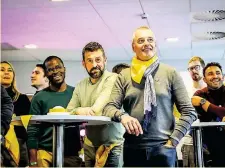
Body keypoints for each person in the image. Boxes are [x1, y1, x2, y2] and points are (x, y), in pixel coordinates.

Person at [103, 26, 197, 167]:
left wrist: (173, 141)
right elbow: (109, 107)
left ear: (155, 44)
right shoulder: (124, 76)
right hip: (132, 149)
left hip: (163, 149)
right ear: (133, 46)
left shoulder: (170, 72)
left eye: (150, 39)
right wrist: (123, 116)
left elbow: (189, 112)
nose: (146, 43)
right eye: (141, 40)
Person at [67, 42, 124, 167]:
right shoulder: (81, 85)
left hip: (112, 146)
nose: (94, 65)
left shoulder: (113, 79)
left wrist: (78, 110)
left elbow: (97, 111)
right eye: (89, 61)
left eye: (98, 60)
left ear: (105, 60)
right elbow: (68, 112)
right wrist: (78, 111)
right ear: (84, 64)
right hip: (89, 145)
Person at [27, 56, 82, 167]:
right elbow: (32, 130)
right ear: (46, 74)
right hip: (45, 153)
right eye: (51, 69)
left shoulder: (76, 93)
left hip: (71, 153)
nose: (55, 71)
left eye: (58, 67)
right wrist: (33, 161)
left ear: (64, 69)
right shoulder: (39, 97)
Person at [192, 62, 225, 167]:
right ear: (204, 79)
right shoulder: (199, 94)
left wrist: (204, 103)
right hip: (208, 150)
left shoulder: (200, 99)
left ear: (223, 77)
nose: (215, 76)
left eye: (218, 73)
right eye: (210, 74)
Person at [0, 61, 30, 167]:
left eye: (10, 70)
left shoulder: (23, 99)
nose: (6, 73)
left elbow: (28, 125)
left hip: (19, 143)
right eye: (2, 70)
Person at [179, 56, 207, 167]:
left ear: (203, 68)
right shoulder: (185, 92)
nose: (193, 71)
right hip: (189, 140)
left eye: (196, 67)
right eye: (190, 69)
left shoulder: (212, 90)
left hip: (211, 137)